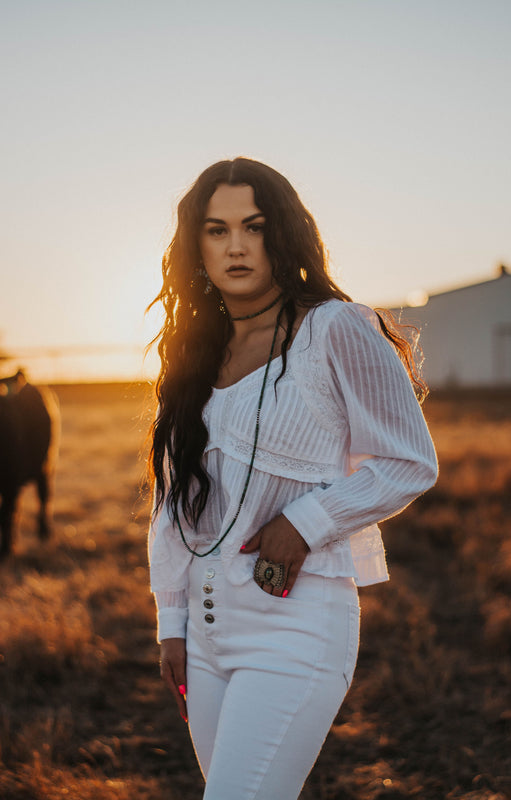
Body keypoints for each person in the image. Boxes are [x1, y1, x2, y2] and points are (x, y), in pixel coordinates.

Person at [147, 157, 438, 799]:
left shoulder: (334, 328)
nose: (237, 246)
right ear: (195, 244)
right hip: (205, 628)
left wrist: (304, 525)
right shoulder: (193, 351)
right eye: (217, 230)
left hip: (295, 622)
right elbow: (173, 502)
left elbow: (410, 460)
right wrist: (172, 621)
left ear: (283, 233)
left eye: (254, 226)